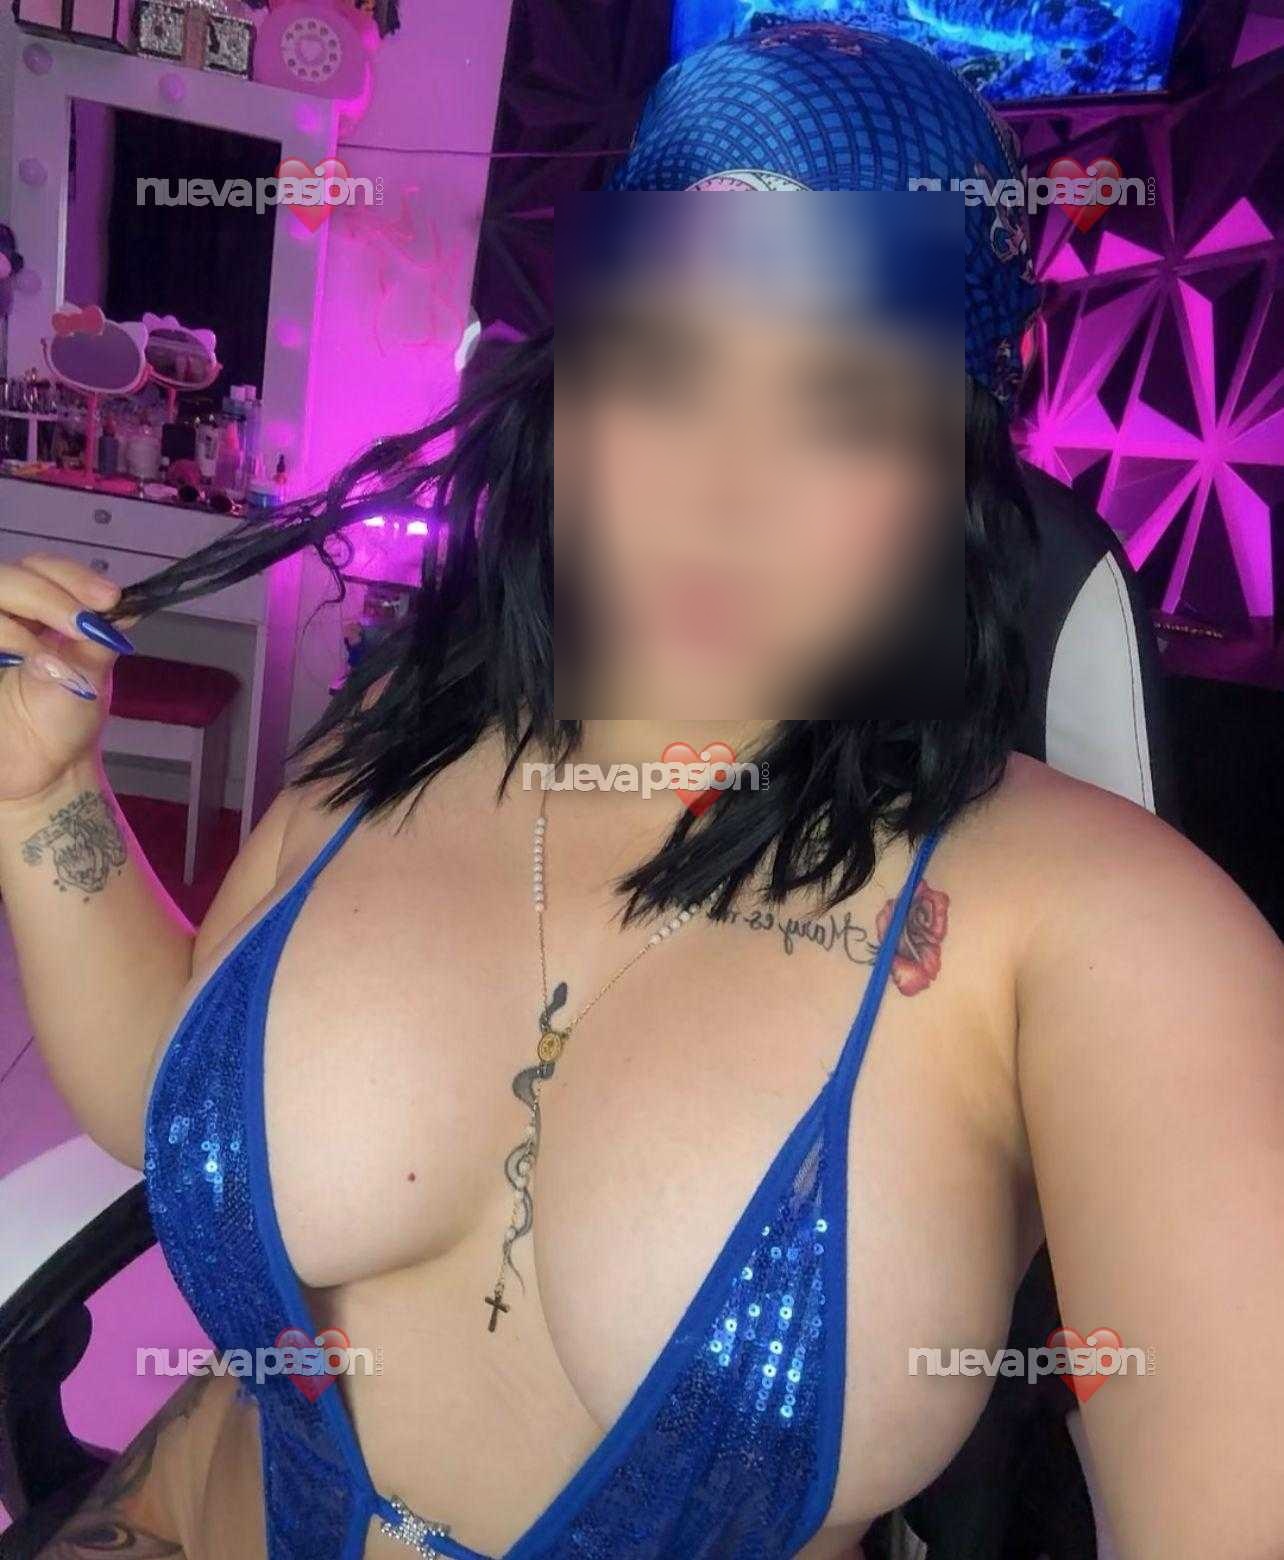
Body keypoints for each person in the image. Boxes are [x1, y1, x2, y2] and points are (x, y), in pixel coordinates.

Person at [0, 24, 1280, 1560]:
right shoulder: (406, 734)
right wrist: (44, 801)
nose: (720, 489)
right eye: (668, 368)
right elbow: (173, 1095)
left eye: (841, 402)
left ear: (954, 468)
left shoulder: (1112, 931)